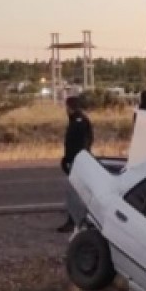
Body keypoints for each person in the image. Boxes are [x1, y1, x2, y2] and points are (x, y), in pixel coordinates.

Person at [56, 96, 94, 233]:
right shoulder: (80, 120)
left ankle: (75, 220)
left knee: (74, 193)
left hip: (77, 161)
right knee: (76, 192)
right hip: (78, 159)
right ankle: (76, 219)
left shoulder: (78, 122)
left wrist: (72, 159)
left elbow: (79, 143)